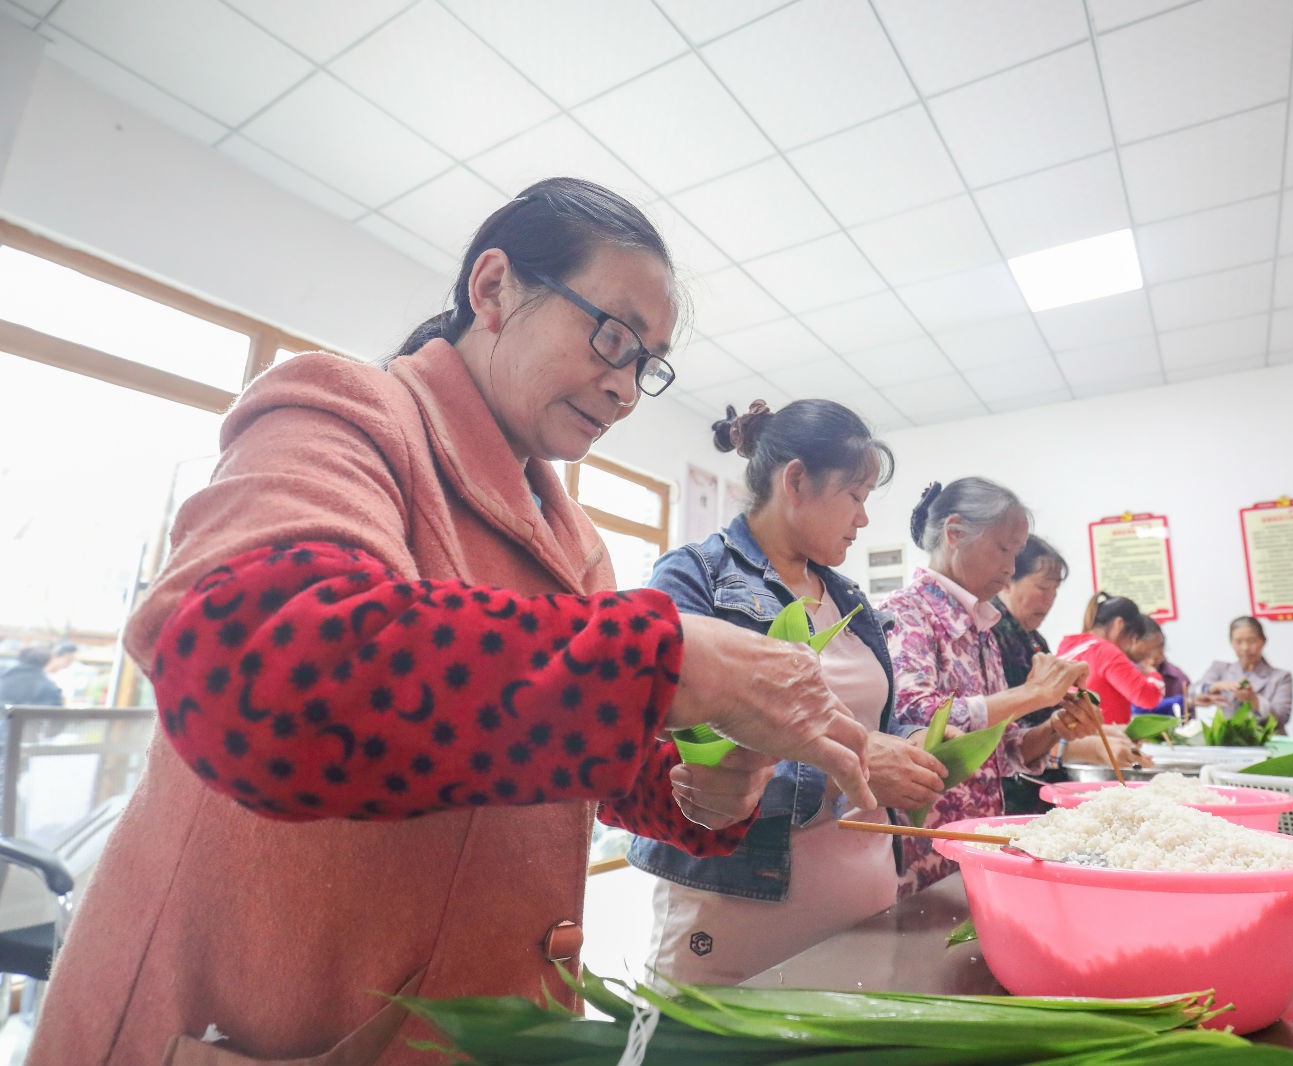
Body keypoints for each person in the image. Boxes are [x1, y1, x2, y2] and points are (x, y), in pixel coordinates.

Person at [30, 178, 874, 1066]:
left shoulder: (573, 536)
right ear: (494, 288)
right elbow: (253, 667)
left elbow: (561, 748)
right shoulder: (346, 411)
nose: (625, 388)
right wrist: (672, 661)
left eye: (646, 364)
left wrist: (696, 789)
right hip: (264, 1020)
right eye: (613, 337)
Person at [630, 399, 946, 983]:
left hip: (864, 912)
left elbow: (867, 725)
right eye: (856, 498)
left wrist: (914, 745)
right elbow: (677, 762)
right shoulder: (695, 576)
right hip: (739, 923)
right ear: (796, 481)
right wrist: (844, 771)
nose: (864, 520)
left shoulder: (851, 599)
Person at [880, 479, 1100, 895]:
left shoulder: (982, 626)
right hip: (928, 848)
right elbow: (919, 720)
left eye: (1016, 553)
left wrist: (1053, 727)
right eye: (1003, 549)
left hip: (978, 841)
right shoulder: (905, 612)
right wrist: (1032, 694)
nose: (1011, 568)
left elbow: (1005, 748)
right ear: (955, 533)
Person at [992, 536, 1116, 813]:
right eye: (1042, 587)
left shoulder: (1034, 639)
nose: (1049, 600)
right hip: (1010, 792)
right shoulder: (991, 634)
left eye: (1055, 589)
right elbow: (1001, 735)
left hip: (1037, 783)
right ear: (1008, 578)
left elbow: (1045, 718)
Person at [1056, 594, 1165, 729]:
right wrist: (1151, 672)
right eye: (1131, 639)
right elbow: (1147, 697)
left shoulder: (1068, 645)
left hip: (1069, 740)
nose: (1127, 647)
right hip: (1102, 741)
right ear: (1119, 624)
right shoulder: (1106, 652)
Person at [1193, 616, 1293, 732]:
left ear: (1263, 641)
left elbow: (1281, 718)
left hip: (1269, 742)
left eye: (1251, 641)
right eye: (1238, 641)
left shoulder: (1281, 677)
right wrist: (1213, 686)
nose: (1245, 648)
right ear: (1231, 643)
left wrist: (1254, 699)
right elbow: (1190, 691)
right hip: (1228, 741)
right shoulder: (1220, 669)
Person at [1130, 618, 1189, 717]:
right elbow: (1137, 709)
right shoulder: (1123, 674)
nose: (1152, 660)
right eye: (1146, 653)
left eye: (1159, 647)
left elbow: (1188, 722)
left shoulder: (1177, 678)